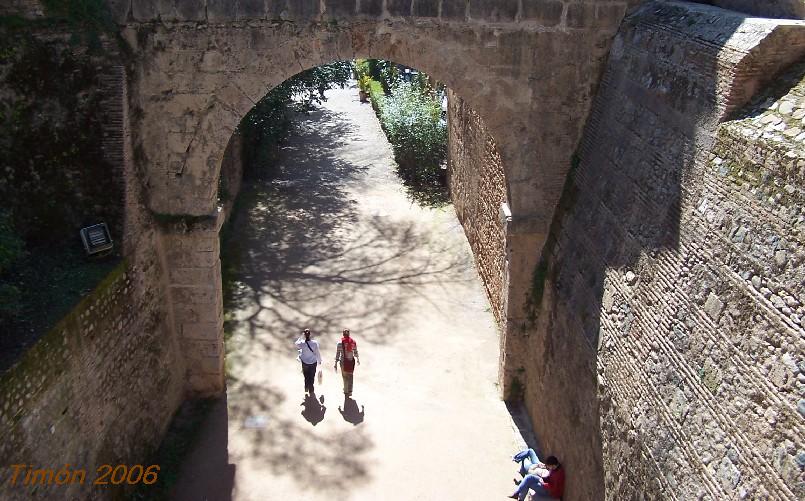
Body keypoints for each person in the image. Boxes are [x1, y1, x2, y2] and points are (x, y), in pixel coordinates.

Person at [295, 328, 322, 395]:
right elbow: (317, 352)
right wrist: (319, 360)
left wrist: (302, 336)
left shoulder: (302, 343)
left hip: (305, 363)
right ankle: (311, 389)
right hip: (313, 362)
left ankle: (306, 387)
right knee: (312, 376)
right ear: (310, 335)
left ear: (304, 335)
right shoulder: (314, 343)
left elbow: (296, 343)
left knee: (306, 376)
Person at [334, 328, 360, 396]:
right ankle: (350, 391)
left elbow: (338, 354)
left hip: (343, 362)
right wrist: (357, 359)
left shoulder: (339, 343)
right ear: (349, 334)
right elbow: (355, 352)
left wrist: (335, 363)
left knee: (345, 377)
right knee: (350, 376)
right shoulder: (353, 342)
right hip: (351, 361)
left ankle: (346, 391)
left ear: (343, 334)